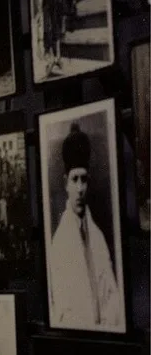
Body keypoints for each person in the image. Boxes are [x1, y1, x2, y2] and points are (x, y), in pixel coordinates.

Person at [46, 124, 124, 328]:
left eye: (84, 180)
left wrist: (106, 325)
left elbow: (112, 295)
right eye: (74, 180)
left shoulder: (97, 237)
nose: (80, 189)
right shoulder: (59, 242)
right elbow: (60, 308)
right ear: (65, 183)